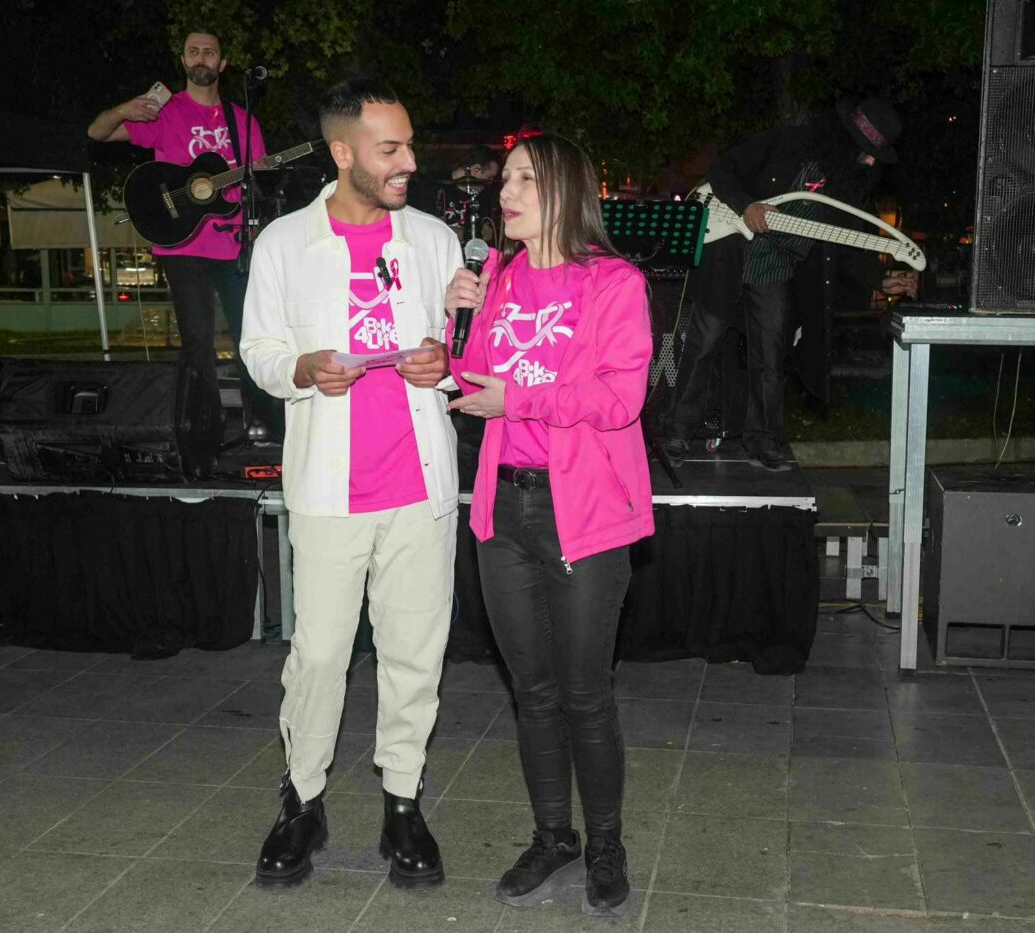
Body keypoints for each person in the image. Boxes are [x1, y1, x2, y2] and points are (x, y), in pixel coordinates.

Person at [238, 75, 463, 891]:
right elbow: (259, 352)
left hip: (419, 488)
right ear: (343, 152)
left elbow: (463, 352)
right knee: (320, 655)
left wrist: (445, 364)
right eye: (390, 148)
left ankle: (403, 801)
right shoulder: (283, 244)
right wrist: (301, 368)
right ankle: (302, 800)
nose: (410, 162)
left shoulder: (433, 239)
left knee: (414, 654)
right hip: (329, 490)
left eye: (410, 146)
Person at [444, 131, 654, 918]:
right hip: (504, 509)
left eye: (525, 179)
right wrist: (456, 317)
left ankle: (605, 843)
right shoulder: (497, 276)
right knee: (532, 692)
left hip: (583, 514)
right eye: (504, 178)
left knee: (583, 693)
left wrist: (522, 399)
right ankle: (553, 835)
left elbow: (619, 398)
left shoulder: (614, 282)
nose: (506, 192)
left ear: (566, 190)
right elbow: (471, 382)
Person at [666, 97, 918, 470]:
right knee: (703, 344)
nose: (869, 162)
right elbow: (723, 169)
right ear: (845, 140)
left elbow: (848, 243)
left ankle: (763, 440)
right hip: (730, 252)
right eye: (865, 151)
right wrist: (746, 205)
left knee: (770, 356)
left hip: (774, 267)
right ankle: (677, 432)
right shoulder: (789, 142)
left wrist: (880, 279)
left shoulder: (846, 188)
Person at [87, 29, 277, 444]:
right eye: (194, 51)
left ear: (222, 63)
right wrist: (124, 109)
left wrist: (263, 176)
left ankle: (262, 424)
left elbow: (260, 178)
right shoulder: (165, 112)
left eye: (209, 52)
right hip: (183, 244)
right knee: (197, 342)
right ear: (183, 60)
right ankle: (205, 429)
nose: (201, 58)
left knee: (252, 337)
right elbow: (97, 132)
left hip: (235, 245)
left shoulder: (242, 120)